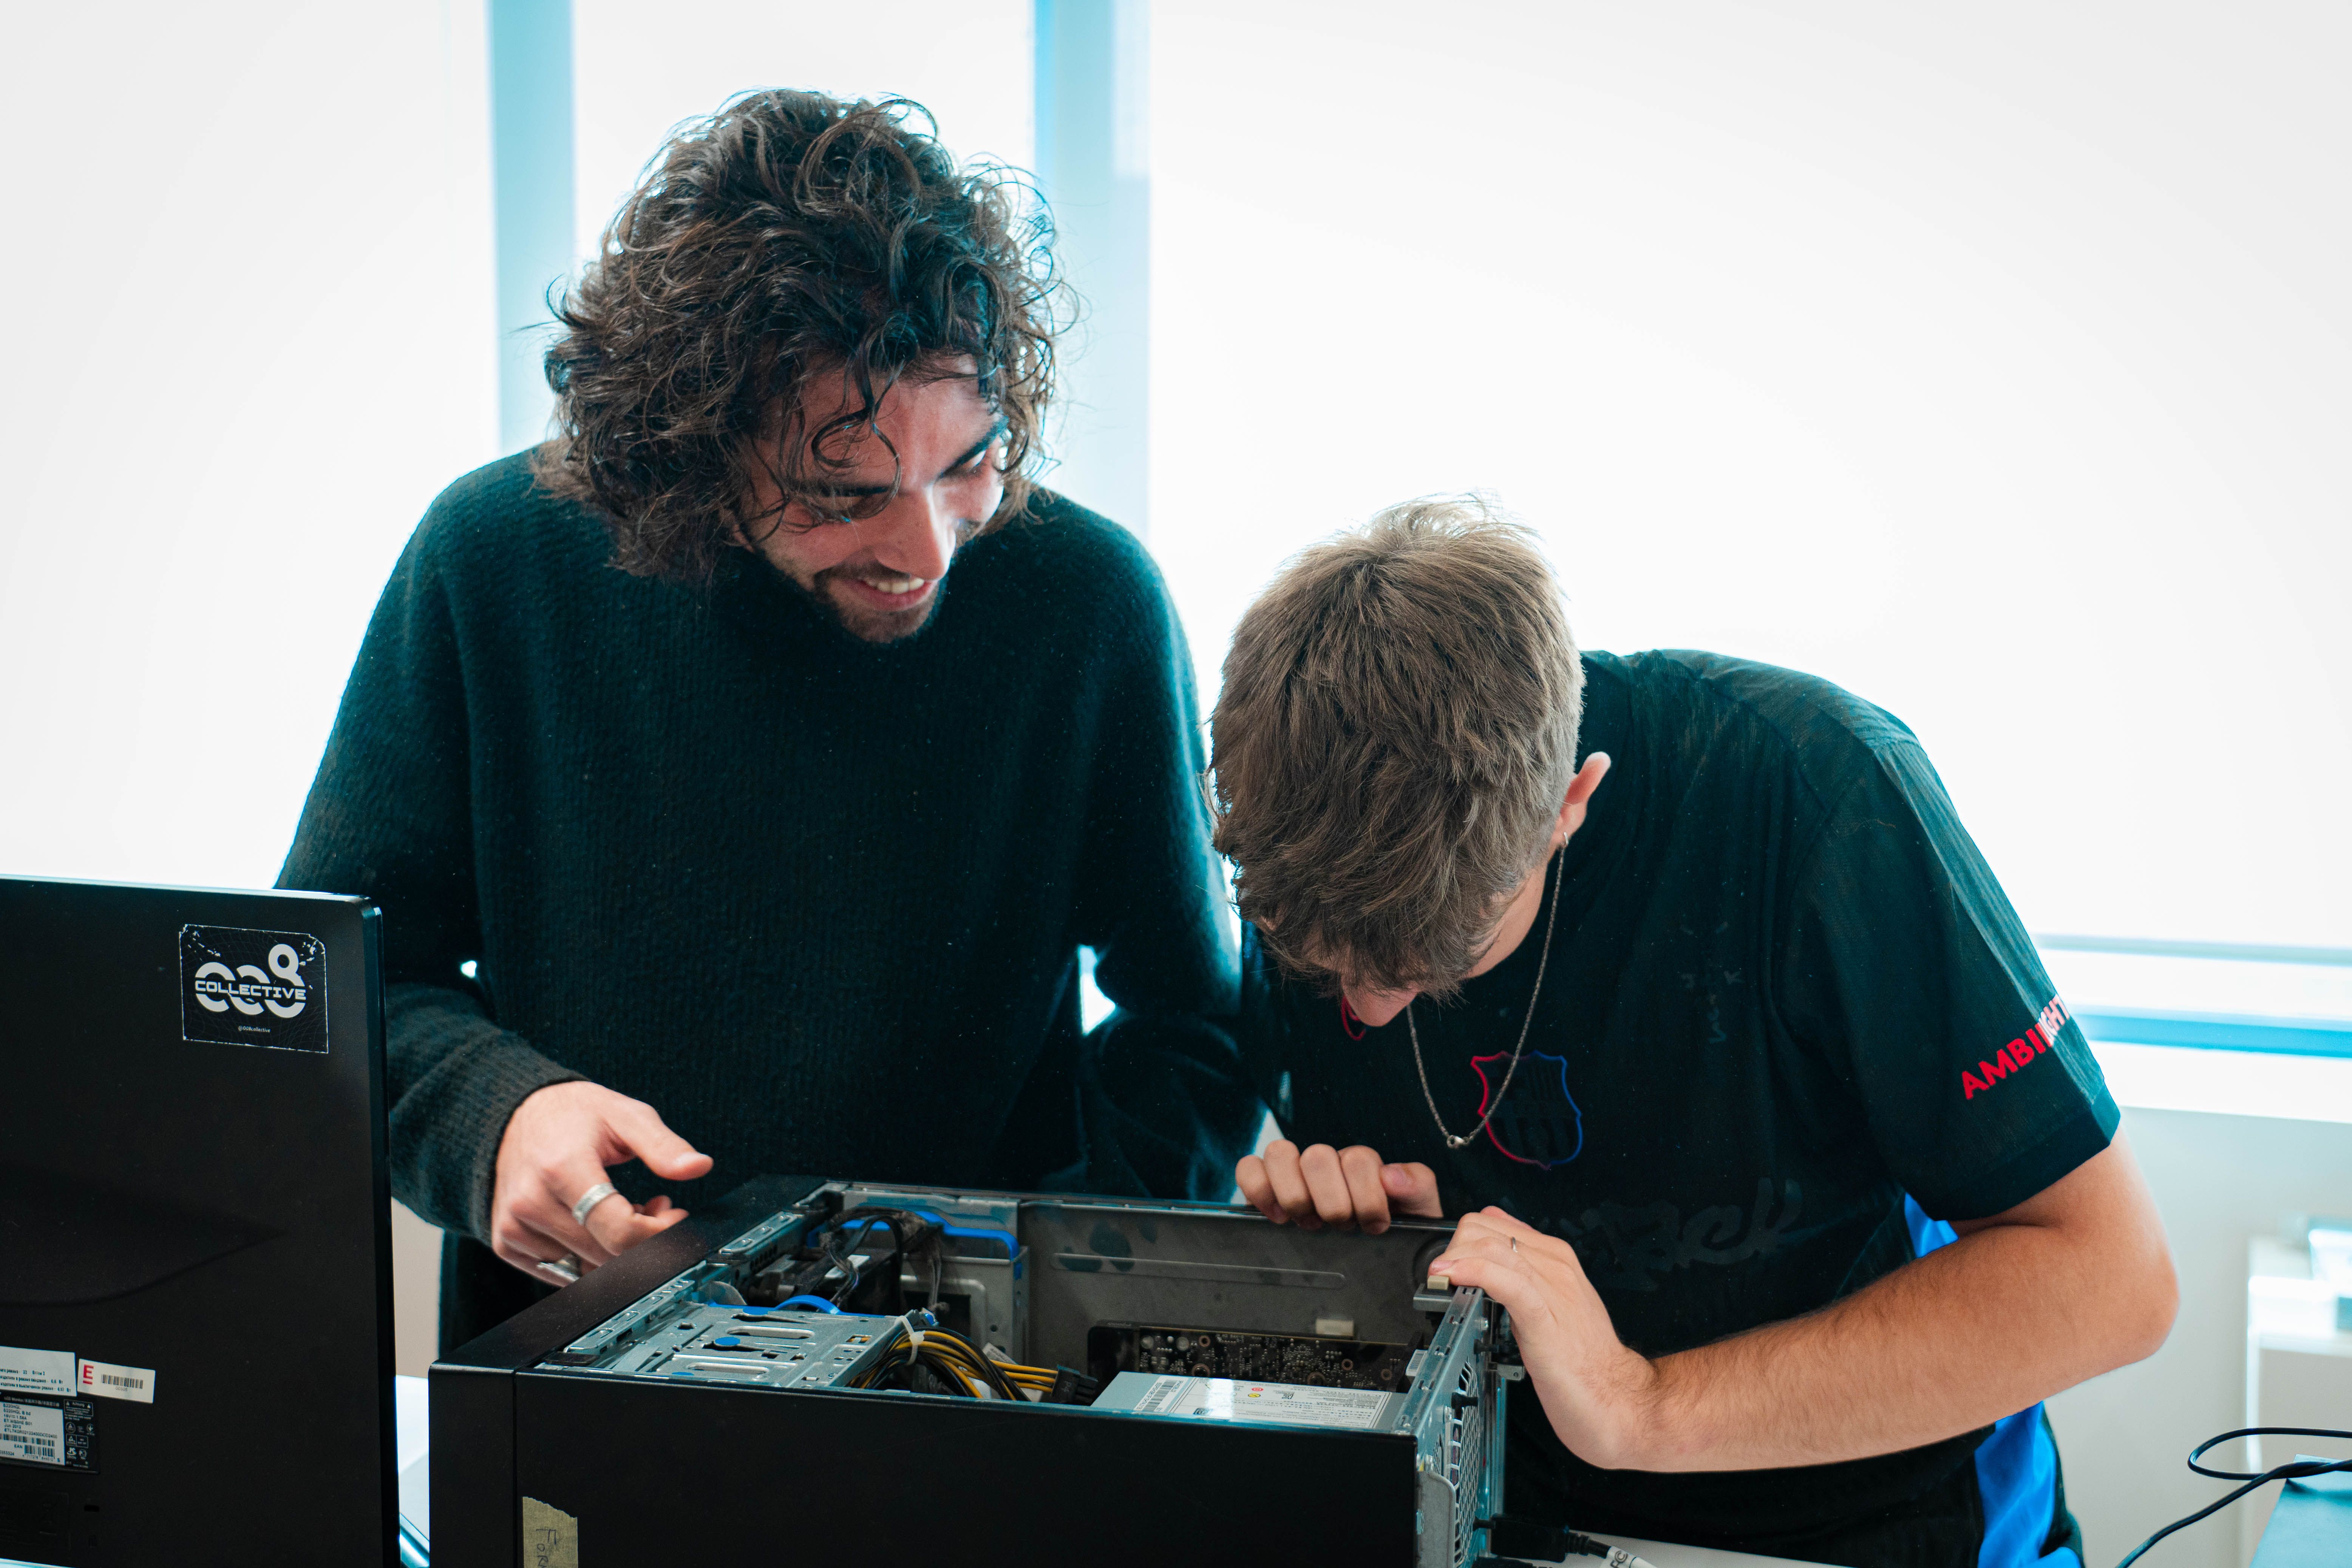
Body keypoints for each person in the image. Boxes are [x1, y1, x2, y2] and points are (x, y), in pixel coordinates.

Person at [280, 91, 1257, 1350]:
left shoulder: (1084, 603)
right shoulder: (493, 563)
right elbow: (334, 985)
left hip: (972, 1395)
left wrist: (1043, 1263)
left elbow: (1199, 1027)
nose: (928, 550)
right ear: (688, 450)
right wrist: (497, 1120)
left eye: (971, 461)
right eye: (841, 492)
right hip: (583, 1367)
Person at [1212, 497, 2176, 1568]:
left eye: (1432, 962)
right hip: (1503, 1512)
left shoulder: (1811, 794)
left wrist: (1646, 1407)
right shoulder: (1304, 836)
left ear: (1571, 802)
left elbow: (2108, 1283)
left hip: (1876, 1525)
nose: (1370, 1008)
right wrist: (1349, 1238)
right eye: (1319, 963)